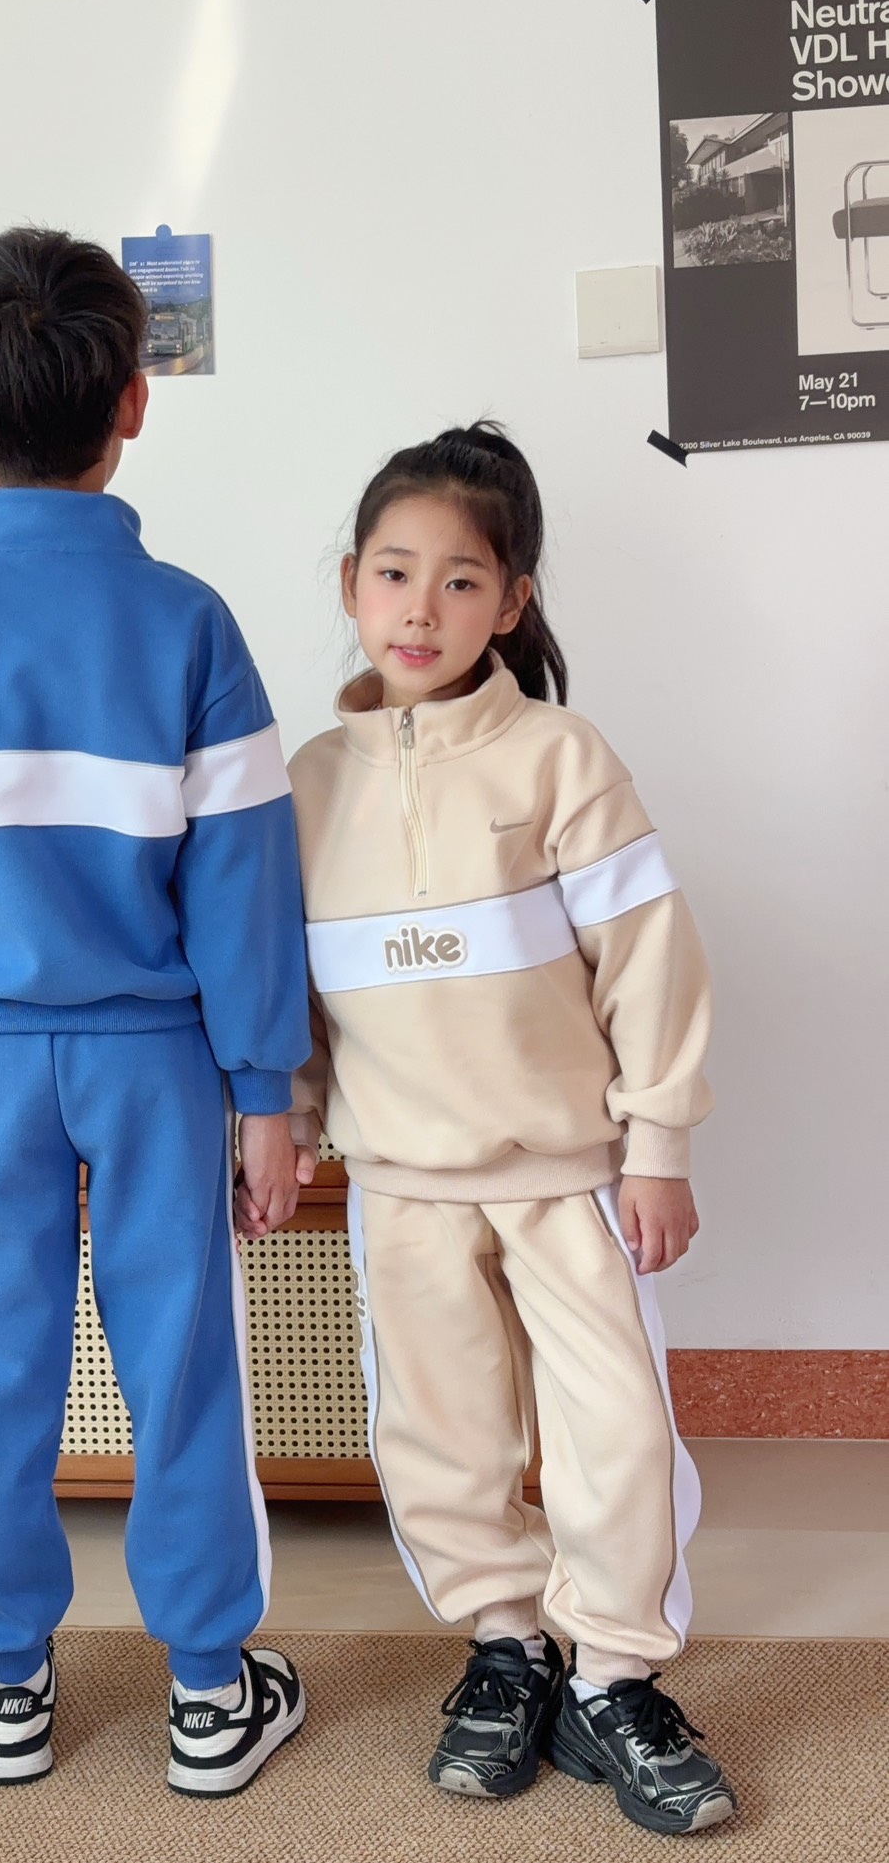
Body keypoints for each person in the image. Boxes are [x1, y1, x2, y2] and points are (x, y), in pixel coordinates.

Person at [0, 227, 309, 1795]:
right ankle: (208, 1691)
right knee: (181, 1359)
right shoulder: (191, 623)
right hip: (158, 1057)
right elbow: (244, 883)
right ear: (133, 402)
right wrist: (263, 1090)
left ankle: (7, 1679)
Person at [237, 423, 736, 1836]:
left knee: (613, 1429)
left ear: (511, 601)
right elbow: (292, 990)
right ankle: (507, 1647)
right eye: (394, 573)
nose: (421, 607)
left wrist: (658, 1144)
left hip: (569, 1174)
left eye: (460, 581)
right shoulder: (307, 784)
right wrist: (292, 1117)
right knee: (439, 1430)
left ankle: (615, 1675)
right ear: (350, 583)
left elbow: (648, 960)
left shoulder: (558, 756)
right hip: (400, 1181)